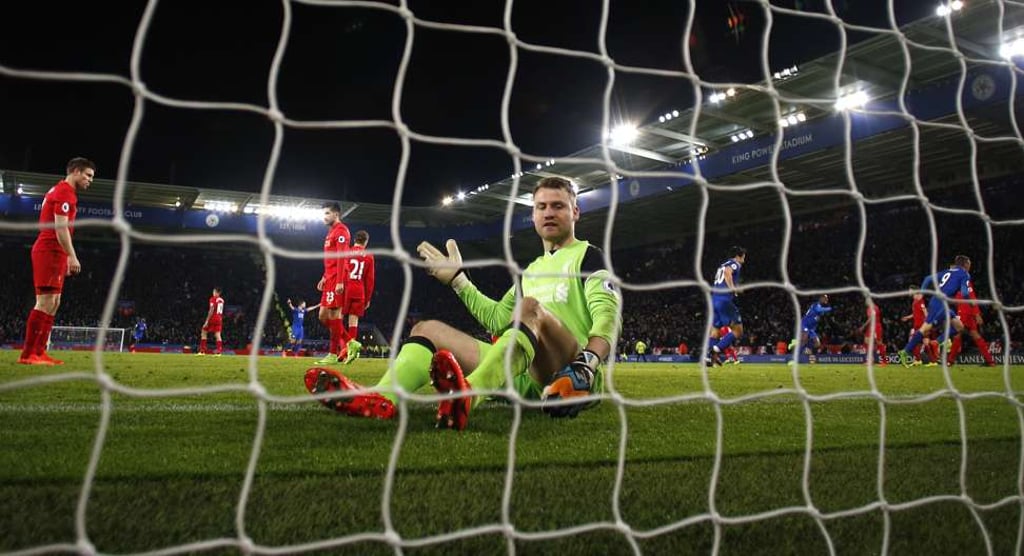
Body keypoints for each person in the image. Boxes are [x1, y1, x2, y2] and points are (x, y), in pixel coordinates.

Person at [305, 176, 621, 430]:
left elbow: (608, 315)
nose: (549, 212)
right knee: (427, 328)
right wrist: (458, 280)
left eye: (558, 206)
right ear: (533, 215)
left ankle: (468, 396)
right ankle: (382, 399)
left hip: (571, 374)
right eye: (541, 207)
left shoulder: (588, 256)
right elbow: (497, 319)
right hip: (528, 380)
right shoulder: (530, 271)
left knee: (531, 308)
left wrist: (587, 363)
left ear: (575, 212)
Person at [18, 157, 96, 365]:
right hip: (50, 250)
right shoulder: (64, 192)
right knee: (44, 302)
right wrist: (71, 255)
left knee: (54, 302)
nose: (90, 180)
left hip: (55, 251)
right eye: (88, 175)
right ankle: (28, 354)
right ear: (76, 171)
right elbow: (60, 228)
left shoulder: (64, 192)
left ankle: (39, 351)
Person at [898, 255, 973, 368]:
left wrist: (922, 291)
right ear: (965, 264)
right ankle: (905, 351)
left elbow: (928, 278)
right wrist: (969, 302)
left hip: (941, 302)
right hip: (939, 304)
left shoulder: (948, 271)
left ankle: (936, 342)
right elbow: (965, 293)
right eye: (969, 263)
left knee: (959, 327)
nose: (970, 266)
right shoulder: (965, 274)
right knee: (925, 329)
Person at [315, 202, 351, 365]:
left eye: (328, 213)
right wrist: (324, 276)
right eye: (324, 214)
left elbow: (342, 257)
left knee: (334, 315)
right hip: (329, 278)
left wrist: (339, 282)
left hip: (337, 278)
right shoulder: (331, 232)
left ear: (336, 214)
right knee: (323, 317)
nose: (325, 217)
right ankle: (351, 342)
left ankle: (332, 354)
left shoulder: (341, 231)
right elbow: (330, 259)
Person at [706, 246, 746, 367]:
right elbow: (728, 272)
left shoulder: (721, 265)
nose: (744, 259)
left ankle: (708, 358)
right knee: (738, 331)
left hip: (714, 299)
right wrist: (733, 288)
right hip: (724, 300)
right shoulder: (735, 263)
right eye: (744, 256)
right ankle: (715, 350)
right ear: (739, 256)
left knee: (715, 332)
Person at [340, 230, 376, 364]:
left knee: (337, 320)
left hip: (346, 289)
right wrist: (367, 299)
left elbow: (341, 272)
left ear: (354, 239)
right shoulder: (369, 256)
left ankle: (344, 349)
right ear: (366, 242)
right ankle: (348, 352)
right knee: (353, 322)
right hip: (359, 290)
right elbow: (370, 280)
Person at [946, 277, 996, 367]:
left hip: (964, 311)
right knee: (975, 334)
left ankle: (950, 361)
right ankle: (990, 361)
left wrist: (977, 314)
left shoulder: (964, 281)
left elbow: (972, 297)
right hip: (967, 311)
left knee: (958, 334)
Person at [789, 295, 833, 362]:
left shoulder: (820, 308)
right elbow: (818, 310)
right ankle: (794, 358)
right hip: (804, 324)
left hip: (811, 329)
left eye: (827, 298)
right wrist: (830, 308)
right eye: (825, 298)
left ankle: (805, 349)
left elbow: (818, 314)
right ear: (821, 299)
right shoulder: (816, 305)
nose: (826, 300)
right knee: (804, 339)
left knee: (817, 343)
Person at [899, 289, 937, 366]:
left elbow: (924, 311)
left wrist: (928, 321)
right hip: (916, 325)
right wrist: (908, 317)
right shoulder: (914, 302)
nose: (909, 292)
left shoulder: (920, 301)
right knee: (917, 342)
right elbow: (915, 313)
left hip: (922, 326)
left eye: (910, 291)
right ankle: (918, 360)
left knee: (924, 342)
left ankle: (933, 361)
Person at [197, 287, 224, 356]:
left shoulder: (213, 299)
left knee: (204, 331)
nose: (213, 293)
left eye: (214, 292)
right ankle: (219, 352)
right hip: (219, 318)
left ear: (216, 292)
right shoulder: (222, 300)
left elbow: (211, 309)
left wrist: (206, 321)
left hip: (213, 318)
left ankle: (202, 351)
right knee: (218, 334)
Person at [862, 300, 888, 366]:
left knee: (879, 343)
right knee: (866, 341)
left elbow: (871, 318)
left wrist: (864, 326)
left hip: (876, 326)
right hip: (871, 326)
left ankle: (884, 361)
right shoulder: (869, 308)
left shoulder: (874, 308)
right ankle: (870, 360)